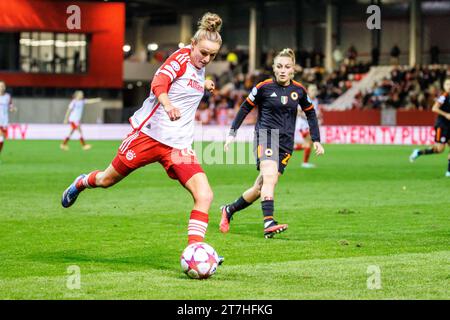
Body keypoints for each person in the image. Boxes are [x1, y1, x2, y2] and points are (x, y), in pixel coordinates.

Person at [61, 13, 226, 259]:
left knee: (205, 195)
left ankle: (195, 251)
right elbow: (159, 82)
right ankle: (81, 182)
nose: (206, 58)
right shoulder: (179, 59)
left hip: (178, 146)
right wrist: (167, 104)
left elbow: (188, 83)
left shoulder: (200, 67)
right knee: (106, 180)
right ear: (192, 44)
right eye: (203, 52)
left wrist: (205, 85)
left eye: (212, 55)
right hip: (148, 136)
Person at [220, 48, 325, 238]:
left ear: (293, 69)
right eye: (279, 66)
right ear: (274, 68)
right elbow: (244, 108)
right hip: (266, 136)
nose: (283, 70)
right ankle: (269, 222)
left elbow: (310, 112)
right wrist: (232, 133)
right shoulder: (263, 87)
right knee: (270, 178)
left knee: (260, 187)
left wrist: (316, 139)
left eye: (287, 67)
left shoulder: (299, 90)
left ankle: (229, 209)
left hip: (286, 143)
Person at [410, 78, 450, 177]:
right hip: (442, 125)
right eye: (447, 84)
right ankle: (419, 152)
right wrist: (446, 115)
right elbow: (434, 108)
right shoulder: (443, 97)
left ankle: (448, 171)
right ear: (444, 86)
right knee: (440, 149)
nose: (449, 86)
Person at [294, 84, 322, 168]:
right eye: (312, 90)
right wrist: (308, 116)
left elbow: (315, 113)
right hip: (303, 125)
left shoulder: (316, 100)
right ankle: (305, 163)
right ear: (308, 91)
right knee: (308, 143)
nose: (314, 91)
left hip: (308, 124)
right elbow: (298, 112)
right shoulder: (304, 99)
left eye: (315, 90)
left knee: (308, 144)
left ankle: (286, 148)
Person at [0, 81, 16, 157]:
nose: (1, 88)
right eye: (0, 86)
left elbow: (10, 106)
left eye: (3, 86)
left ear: (5, 87)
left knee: (1, 139)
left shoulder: (8, 97)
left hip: (4, 122)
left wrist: (12, 109)